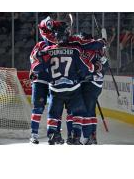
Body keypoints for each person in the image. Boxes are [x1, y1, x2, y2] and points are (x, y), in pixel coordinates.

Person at [36, 21, 96, 145]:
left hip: (55, 90)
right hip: (73, 89)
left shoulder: (48, 50)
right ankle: (74, 136)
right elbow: (87, 67)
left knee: (53, 114)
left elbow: (38, 69)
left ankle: (53, 136)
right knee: (77, 112)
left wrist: (40, 57)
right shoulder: (74, 50)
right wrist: (88, 72)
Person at [29, 16, 63, 144]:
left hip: (54, 82)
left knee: (56, 109)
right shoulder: (40, 45)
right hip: (40, 81)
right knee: (38, 108)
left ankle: (55, 134)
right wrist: (43, 56)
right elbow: (34, 65)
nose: (51, 33)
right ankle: (34, 134)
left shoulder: (59, 45)